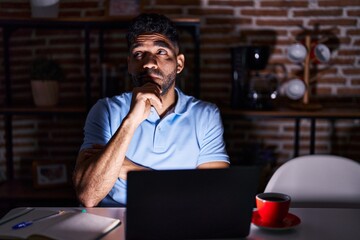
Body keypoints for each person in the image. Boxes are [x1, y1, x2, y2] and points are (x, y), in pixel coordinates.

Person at [73, 13, 230, 207]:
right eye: (139, 54)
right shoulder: (105, 110)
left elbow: (214, 193)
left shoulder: (206, 115)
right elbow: (88, 195)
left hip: (179, 221)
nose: (148, 62)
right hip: (116, 223)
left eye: (161, 52)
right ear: (129, 63)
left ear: (179, 64)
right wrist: (131, 120)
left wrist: (127, 169)